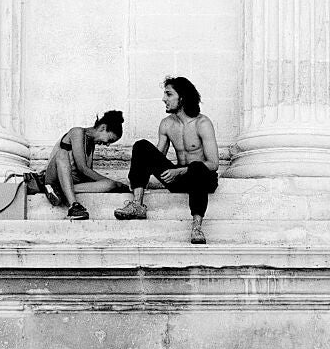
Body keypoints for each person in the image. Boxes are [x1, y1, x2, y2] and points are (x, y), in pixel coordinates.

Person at [115, 77, 218, 244]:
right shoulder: (166, 124)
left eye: (169, 94)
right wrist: (137, 175)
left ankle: (197, 227)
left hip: (201, 178)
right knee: (141, 146)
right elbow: (156, 157)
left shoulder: (202, 123)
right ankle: (137, 205)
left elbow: (213, 164)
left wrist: (179, 171)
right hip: (179, 178)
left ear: (182, 98)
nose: (164, 99)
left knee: (197, 167)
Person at [31, 110, 126, 220]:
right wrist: (116, 182)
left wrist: (114, 184)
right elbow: (83, 168)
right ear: (102, 128)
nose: (107, 145)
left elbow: (87, 175)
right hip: (54, 176)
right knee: (62, 153)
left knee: (110, 185)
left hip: (71, 182)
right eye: (110, 140)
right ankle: (73, 206)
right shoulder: (77, 132)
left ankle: (62, 190)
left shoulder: (91, 144)